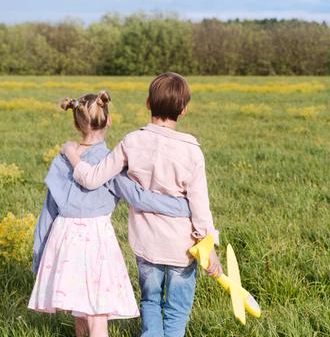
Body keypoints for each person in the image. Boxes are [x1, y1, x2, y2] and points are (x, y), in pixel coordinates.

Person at [62, 72, 221, 337]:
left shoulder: (132, 141)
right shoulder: (192, 150)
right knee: (177, 310)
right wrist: (209, 245)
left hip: (146, 244)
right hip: (183, 248)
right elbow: (200, 206)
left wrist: (71, 154)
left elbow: (92, 179)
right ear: (183, 111)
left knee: (150, 302)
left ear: (148, 103)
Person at [29, 90, 191, 337]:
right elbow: (139, 197)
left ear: (76, 123)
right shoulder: (109, 161)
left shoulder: (62, 161)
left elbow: (48, 213)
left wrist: (39, 257)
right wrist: (181, 206)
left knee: (79, 309)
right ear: (109, 121)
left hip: (62, 239)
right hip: (95, 241)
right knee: (96, 311)